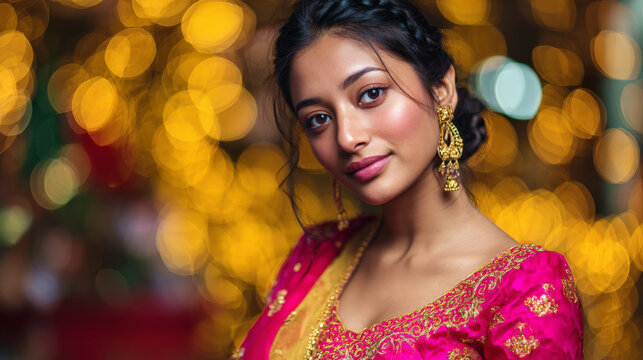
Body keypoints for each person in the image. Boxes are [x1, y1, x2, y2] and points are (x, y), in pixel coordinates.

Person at [233, 0, 584, 358]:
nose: (346, 138)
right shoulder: (316, 255)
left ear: (441, 89)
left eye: (371, 94)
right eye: (319, 119)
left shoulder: (527, 288)